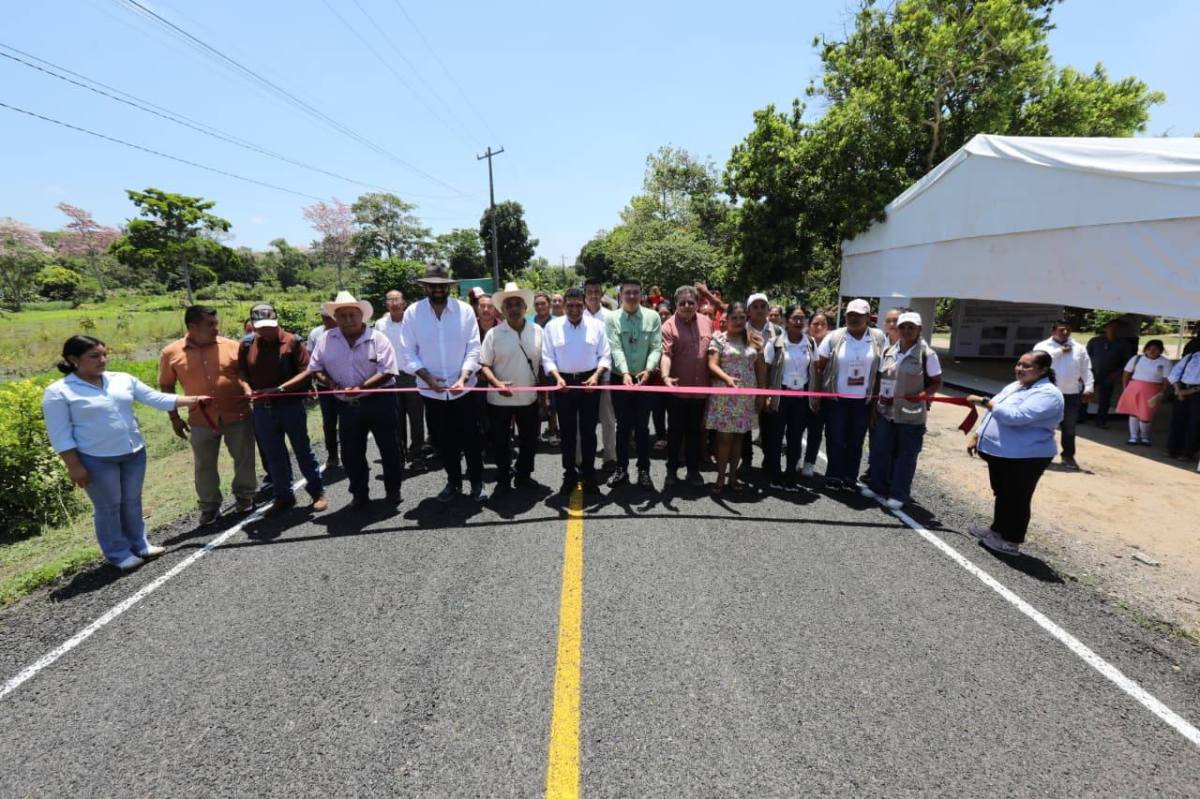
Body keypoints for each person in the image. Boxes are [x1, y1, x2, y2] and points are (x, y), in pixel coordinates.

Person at [43, 336, 210, 571]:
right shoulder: (59, 392)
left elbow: (157, 399)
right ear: (73, 359)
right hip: (95, 458)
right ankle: (118, 553)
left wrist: (193, 400)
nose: (102, 360)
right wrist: (74, 466)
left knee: (132, 501)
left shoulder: (121, 379)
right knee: (108, 506)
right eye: (94, 356)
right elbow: (60, 434)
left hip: (133, 452)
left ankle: (139, 543)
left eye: (104, 354)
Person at [279, 292, 402, 510]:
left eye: (352, 315)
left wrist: (362, 388)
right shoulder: (326, 339)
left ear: (361, 315)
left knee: (390, 448)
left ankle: (393, 491)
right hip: (346, 404)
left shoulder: (378, 338)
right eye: (342, 315)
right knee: (351, 453)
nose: (347, 319)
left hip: (379, 401)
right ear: (335, 318)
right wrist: (332, 384)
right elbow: (315, 368)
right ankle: (359, 493)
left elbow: (388, 371)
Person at [159, 306, 256, 526]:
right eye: (210, 324)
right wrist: (174, 417)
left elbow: (245, 375)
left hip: (237, 412)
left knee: (244, 457)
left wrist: (247, 387)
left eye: (216, 323)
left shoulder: (233, 346)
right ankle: (210, 507)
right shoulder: (171, 353)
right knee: (204, 464)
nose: (216, 327)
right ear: (192, 326)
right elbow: (166, 385)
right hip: (201, 418)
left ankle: (245, 495)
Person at [398, 263, 486, 502]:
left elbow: (474, 348)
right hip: (432, 392)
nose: (437, 290)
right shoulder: (413, 313)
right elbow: (408, 352)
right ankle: (453, 482)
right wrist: (427, 378)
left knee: (471, 438)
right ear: (425, 286)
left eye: (442, 286)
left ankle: (477, 483)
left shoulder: (465, 310)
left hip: (464, 390)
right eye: (432, 286)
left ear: (449, 286)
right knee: (445, 441)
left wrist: (463, 378)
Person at [965, 351, 1065, 555]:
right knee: (1003, 493)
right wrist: (977, 434)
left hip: (1026, 456)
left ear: (1043, 369)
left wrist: (984, 401)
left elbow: (1015, 417)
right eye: (1019, 364)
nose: (1020, 368)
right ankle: (997, 530)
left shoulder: (1048, 394)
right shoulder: (1016, 385)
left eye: (1026, 366)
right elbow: (994, 410)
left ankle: (1011, 540)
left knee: (1018, 497)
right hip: (1004, 453)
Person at [238, 303, 327, 515]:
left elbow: (307, 371)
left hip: (290, 405)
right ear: (253, 325)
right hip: (262, 408)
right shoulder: (247, 345)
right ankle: (284, 496)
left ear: (277, 321)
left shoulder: (292, 342)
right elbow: (241, 373)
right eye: (261, 328)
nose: (266, 331)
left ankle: (317, 493)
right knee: (273, 454)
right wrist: (247, 389)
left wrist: (280, 388)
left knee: (302, 449)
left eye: (270, 326)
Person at [863, 311, 943, 509]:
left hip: (911, 415)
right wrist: (874, 407)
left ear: (919, 330)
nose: (906, 331)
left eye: (911, 327)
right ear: (897, 329)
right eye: (903, 327)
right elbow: (879, 379)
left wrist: (924, 394)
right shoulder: (888, 351)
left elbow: (936, 382)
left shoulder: (927, 354)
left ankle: (899, 494)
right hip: (885, 411)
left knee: (905, 456)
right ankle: (877, 486)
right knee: (881, 451)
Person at [542, 286, 611, 496]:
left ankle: (589, 475)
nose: (574, 309)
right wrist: (557, 378)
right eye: (569, 305)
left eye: (578, 305)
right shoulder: (552, 327)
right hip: (563, 384)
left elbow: (605, 355)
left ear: (584, 304)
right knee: (568, 433)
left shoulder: (597, 325)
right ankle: (569, 475)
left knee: (589, 432)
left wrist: (596, 376)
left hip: (590, 382)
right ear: (563, 305)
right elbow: (547, 357)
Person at [814, 299, 887, 490]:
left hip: (863, 401)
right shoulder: (835, 337)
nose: (854, 318)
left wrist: (876, 399)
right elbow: (819, 367)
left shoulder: (878, 338)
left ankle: (849, 476)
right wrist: (819, 395)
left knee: (856, 440)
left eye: (859, 315)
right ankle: (833, 475)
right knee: (835, 438)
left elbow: (881, 371)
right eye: (850, 315)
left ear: (868, 317)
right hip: (837, 400)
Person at [479, 282, 543, 495]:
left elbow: (544, 364)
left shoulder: (538, 331)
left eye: (518, 304)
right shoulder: (494, 334)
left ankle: (524, 475)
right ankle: (503, 476)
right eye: (509, 305)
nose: (514, 308)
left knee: (529, 440)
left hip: (528, 399)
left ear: (526, 308)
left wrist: (545, 395)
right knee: (500, 442)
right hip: (499, 400)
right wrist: (496, 384)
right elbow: (484, 365)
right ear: (503, 310)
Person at [605, 277, 663, 489]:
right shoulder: (611, 318)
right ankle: (621, 469)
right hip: (621, 378)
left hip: (644, 379)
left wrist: (648, 370)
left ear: (641, 295)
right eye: (627, 292)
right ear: (620, 295)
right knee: (622, 427)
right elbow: (615, 347)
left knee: (642, 427)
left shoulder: (653, 317)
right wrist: (626, 372)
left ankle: (644, 470)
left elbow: (656, 347)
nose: (631, 296)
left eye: (635, 292)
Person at [706, 302, 766, 494]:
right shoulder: (719, 339)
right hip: (725, 396)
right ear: (727, 319)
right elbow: (712, 365)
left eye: (742, 317)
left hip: (746, 397)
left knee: (739, 439)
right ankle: (720, 478)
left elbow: (761, 369)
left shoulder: (754, 340)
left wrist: (762, 394)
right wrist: (727, 378)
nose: (739, 321)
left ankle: (733, 478)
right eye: (734, 318)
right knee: (724, 440)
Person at [660, 286, 712, 488]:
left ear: (697, 303)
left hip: (701, 392)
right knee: (675, 432)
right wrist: (665, 376)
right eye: (683, 303)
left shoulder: (707, 323)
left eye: (691, 302)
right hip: (677, 391)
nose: (687, 306)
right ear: (676, 304)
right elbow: (666, 355)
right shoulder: (669, 326)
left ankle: (693, 470)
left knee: (695, 432)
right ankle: (671, 471)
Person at [762, 305, 818, 491]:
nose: (798, 322)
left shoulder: (810, 343)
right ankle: (775, 475)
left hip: (801, 397)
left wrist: (815, 395)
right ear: (786, 321)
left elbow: (815, 370)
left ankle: (790, 476)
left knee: (795, 437)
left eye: (802, 318)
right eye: (794, 318)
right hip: (780, 395)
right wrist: (768, 395)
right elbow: (766, 370)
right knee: (776, 437)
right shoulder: (775, 343)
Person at [374, 290, 425, 470]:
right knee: (396, 420)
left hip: (413, 376)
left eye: (397, 300)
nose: (394, 303)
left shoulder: (414, 323)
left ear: (404, 303)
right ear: (386, 304)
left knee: (417, 418)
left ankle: (417, 455)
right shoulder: (380, 325)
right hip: (391, 377)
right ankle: (400, 456)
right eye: (390, 300)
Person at [1034, 321, 1093, 470]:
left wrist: (1089, 387)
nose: (1065, 332)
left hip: (1071, 393)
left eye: (1068, 330)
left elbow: (1086, 369)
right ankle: (1038, 454)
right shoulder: (1042, 346)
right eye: (1062, 330)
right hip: (1046, 393)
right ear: (1053, 331)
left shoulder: (1079, 348)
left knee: (1069, 427)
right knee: (1043, 424)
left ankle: (1068, 456)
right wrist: (1060, 351)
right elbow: (1038, 362)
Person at [747, 292, 786, 474]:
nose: (760, 310)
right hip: (746, 387)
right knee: (745, 427)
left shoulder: (778, 332)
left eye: (763, 306)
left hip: (770, 386)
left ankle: (769, 462)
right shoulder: (741, 329)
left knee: (769, 427)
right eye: (755, 306)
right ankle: (745, 460)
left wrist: (770, 392)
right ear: (749, 310)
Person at [583, 277, 618, 469]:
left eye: (597, 291)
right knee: (584, 420)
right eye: (590, 291)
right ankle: (581, 460)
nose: (593, 295)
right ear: (584, 294)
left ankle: (610, 457)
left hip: (606, 374)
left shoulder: (611, 316)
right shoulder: (578, 316)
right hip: (583, 375)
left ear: (602, 293)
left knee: (608, 417)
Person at [1115, 340, 1173, 445]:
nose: (1152, 351)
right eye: (1149, 349)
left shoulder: (1165, 362)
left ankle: (1144, 436)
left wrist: (1163, 393)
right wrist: (1125, 388)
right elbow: (1126, 374)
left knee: (1146, 416)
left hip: (1153, 390)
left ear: (1160, 351)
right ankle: (1133, 437)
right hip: (1134, 388)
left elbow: (1166, 380)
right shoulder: (1137, 359)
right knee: (1133, 413)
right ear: (1145, 349)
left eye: (1155, 349)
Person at [799, 312, 832, 479]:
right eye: (815, 324)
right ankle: (796, 459)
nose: (819, 327)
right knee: (797, 428)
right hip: (802, 392)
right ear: (809, 326)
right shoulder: (803, 343)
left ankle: (809, 463)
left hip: (823, 395)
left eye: (823, 324)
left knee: (816, 430)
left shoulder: (832, 345)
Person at [1085, 321, 1135, 428]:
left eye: (1116, 328)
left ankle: (1101, 421)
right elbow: (1086, 356)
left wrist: (1117, 373)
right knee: (1085, 395)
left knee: (1105, 399)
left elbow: (1128, 361)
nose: (1113, 330)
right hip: (1092, 373)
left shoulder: (1124, 344)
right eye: (1110, 327)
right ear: (1105, 328)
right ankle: (1079, 417)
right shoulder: (1095, 341)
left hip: (1110, 375)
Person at [308, 308, 340, 470]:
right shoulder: (315, 334)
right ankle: (332, 455)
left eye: (328, 317)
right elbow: (311, 360)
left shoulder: (344, 331)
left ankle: (351, 452)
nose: (325, 320)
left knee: (349, 421)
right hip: (324, 386)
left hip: (345, 384)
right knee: (329, 422)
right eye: (323, 317)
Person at [1167, 348, 1200, 461]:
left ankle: (1188, 451)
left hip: (1197, 392)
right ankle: (1174, 448)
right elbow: (1174, 373)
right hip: (1182, 389)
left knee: (1194, 423)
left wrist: (1192, 391)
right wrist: (1178, 390)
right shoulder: (1191, 356)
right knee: (1178, 420)